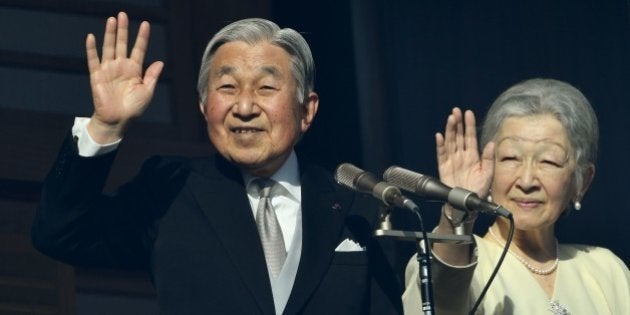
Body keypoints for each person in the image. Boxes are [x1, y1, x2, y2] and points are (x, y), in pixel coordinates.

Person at [31, 12, 402, 314]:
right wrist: (106, 125)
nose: (243, 107)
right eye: (227, 88)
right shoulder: (169, 189)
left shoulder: (358, 207)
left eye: (266, 88)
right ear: (204, 106)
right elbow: (61, 235)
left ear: (307, 110)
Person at [402, 78, 630, 314]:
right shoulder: (459, 261)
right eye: (511, 158)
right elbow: (441, 299)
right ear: (488, 168)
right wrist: (458, 210)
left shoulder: (606, 270)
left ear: (582, 181)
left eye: (548, 161)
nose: (527, 181)